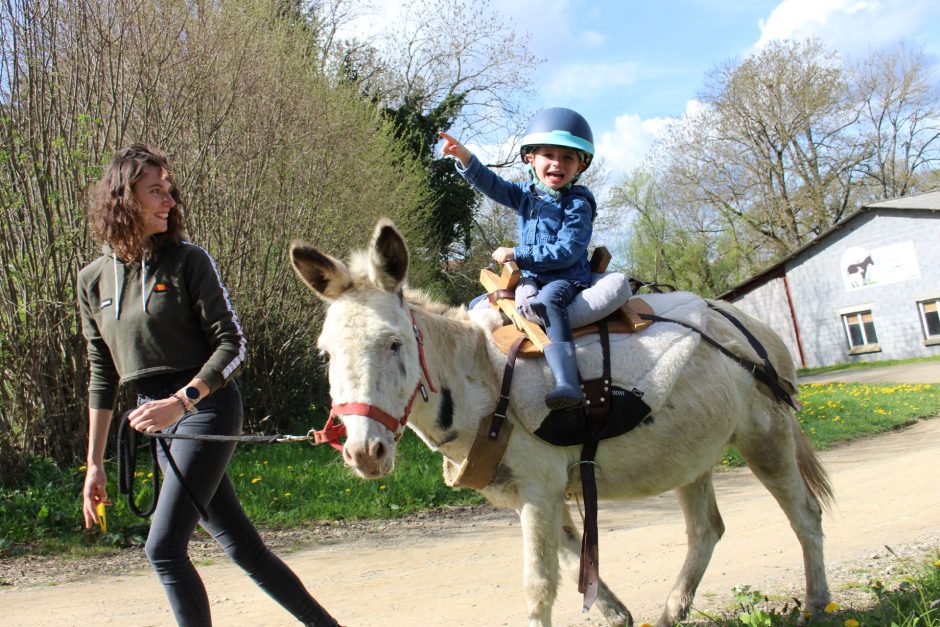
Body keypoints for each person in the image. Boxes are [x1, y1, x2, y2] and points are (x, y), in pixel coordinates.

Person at [78, 144, 340, 627]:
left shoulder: (188, 261)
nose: (169, 200)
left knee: (163, 548)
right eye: (154, 191)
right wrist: (93, 465)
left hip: (204, 408)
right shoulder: (93, 279)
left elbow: (233, 345)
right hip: (158, 422)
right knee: (244, 548)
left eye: (169, 190)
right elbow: (102, 375)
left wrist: (180, 403)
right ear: (123, 198)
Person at [440, 107, 597, 410]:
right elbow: (494, 186)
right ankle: (470, 373)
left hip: (564, 277)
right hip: (531, 277)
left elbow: (567, 251)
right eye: (548, 155)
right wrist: (465, 159)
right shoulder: (527, 195)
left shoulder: (577, 204)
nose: (557, 163)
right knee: (480, 304)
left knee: (549, 301)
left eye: (567, 157)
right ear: (530, 158)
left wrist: (517, 254)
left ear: (580, 165)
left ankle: (567, 381)